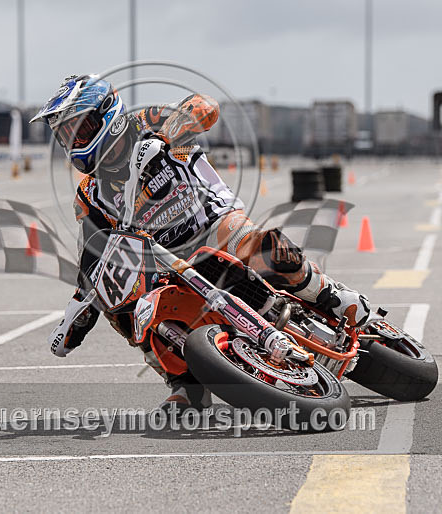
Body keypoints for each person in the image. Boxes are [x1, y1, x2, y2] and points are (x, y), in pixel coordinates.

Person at [33, 74, 370, 411]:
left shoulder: (148, 122)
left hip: (212, 223)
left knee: (264, 248)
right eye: (66, 135)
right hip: (166, 262)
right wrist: (78, 315)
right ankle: (185, 383)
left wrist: (167, 136)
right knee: (127, 308)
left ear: (108, 114)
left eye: (79, 129)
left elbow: (205, 106)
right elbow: (93, 257)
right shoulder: (90, 195)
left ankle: (332, 297)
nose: (73, 141)